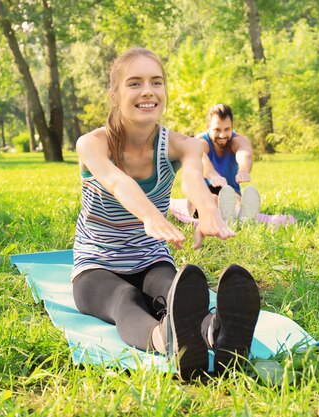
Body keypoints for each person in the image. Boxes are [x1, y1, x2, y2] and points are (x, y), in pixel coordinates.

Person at [71, 48, 260, 379]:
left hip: (150, 258)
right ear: (114, 94)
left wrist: (207, 208)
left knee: (176, 292)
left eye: (156, 82)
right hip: (96, 265)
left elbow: (192, 179)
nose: (148, 90)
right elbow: (117, 181)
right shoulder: (92, 143)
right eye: (135, 83)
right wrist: (149, 214)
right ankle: (165, 339)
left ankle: (218, 334)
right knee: (124, 297)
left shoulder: (183, 144)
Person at [194, 104, 261, 222]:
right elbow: (201, 157)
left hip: (230, 190)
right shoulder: (201, 141)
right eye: (217, 130)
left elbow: (244, 153)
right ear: (208, 127)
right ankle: (225, 215)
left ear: (232, 127)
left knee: (235, 200)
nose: (222, 135)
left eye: (227, 129)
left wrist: (243, 170)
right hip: (203, 190)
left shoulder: (238, 140)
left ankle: (240, 216)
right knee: (212, 199)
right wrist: (212, 175)